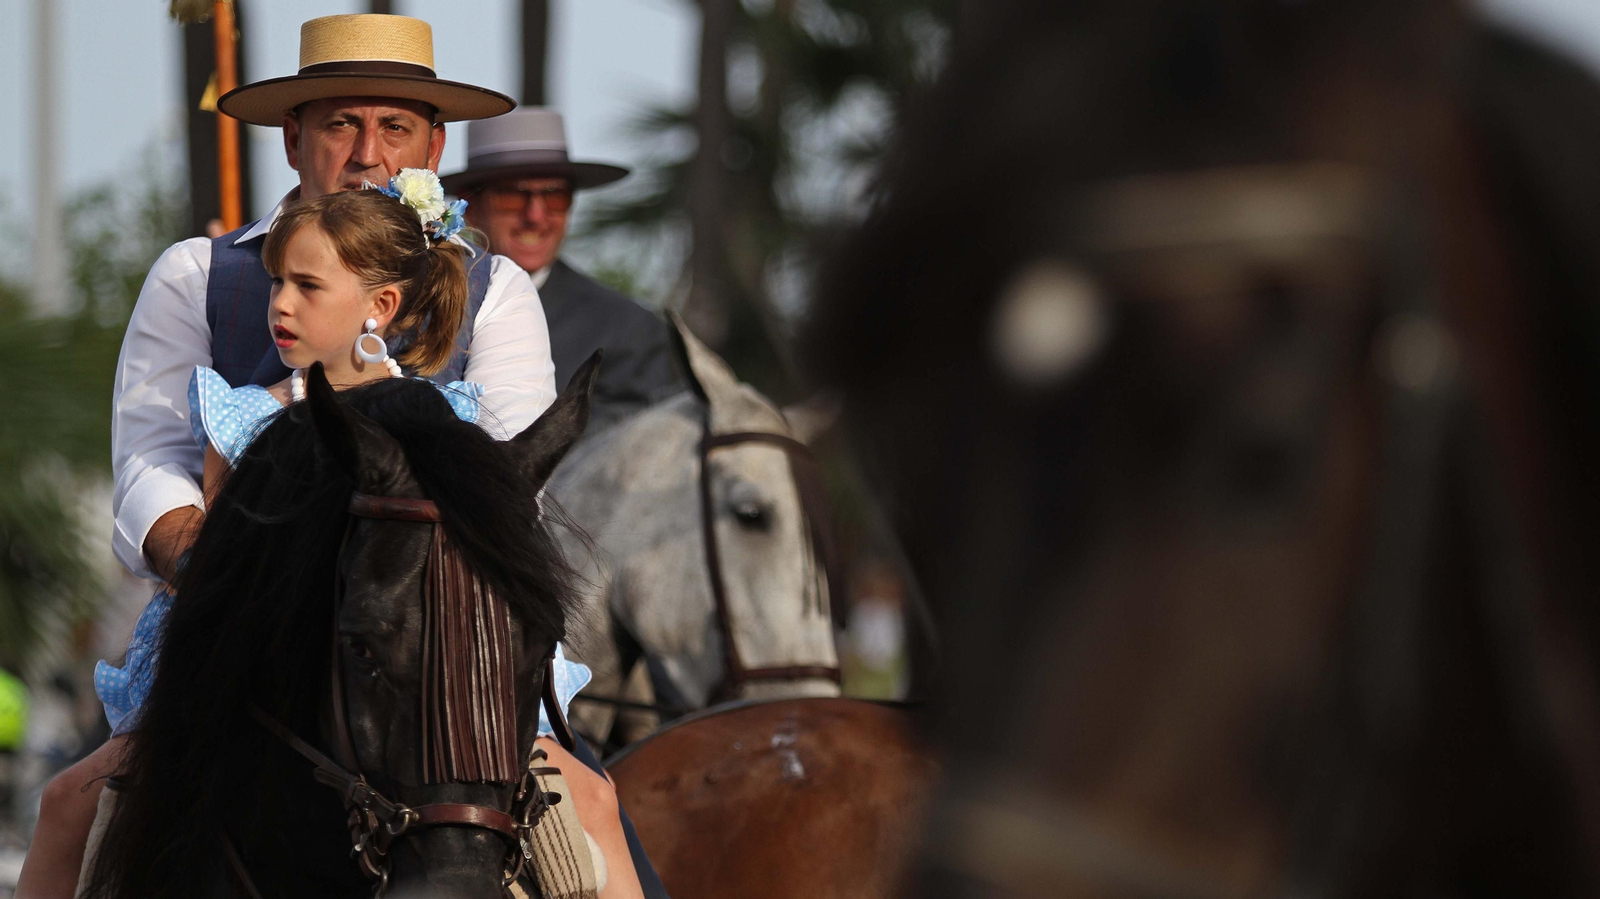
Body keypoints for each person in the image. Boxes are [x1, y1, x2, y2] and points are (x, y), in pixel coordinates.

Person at [18, 15, 654, 898]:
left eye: (394, 127)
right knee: (69, 809)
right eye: (340, 125)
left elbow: (513, 489)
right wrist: (220, 565)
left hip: (442, 656)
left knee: (589, 810)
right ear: (293, 140)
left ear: (434, 144)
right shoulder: (197, 275)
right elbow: (148, 463)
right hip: (235, 649)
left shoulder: (496, 290)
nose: (368, 152)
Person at [441, 107, 679, 432]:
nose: (536, 216)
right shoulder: (420, 306)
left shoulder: (629, 331)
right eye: (513, 196)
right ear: (470, 205)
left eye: (555, 197)